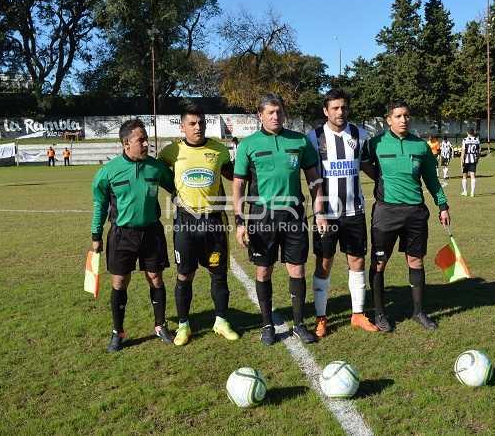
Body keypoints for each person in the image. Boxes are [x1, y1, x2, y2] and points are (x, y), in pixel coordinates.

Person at [232, 93, 327, 346]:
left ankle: (299, 324)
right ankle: (267, 325)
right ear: (260, 115)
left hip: (294, 214)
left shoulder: (299, 141)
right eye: (270, 112)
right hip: (261, 216)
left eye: (279, 112)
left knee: (297, 268)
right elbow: (238, 185)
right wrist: (240, 222)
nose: (276, 116)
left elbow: (314, 179)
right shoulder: (248, 145)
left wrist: (319, 211)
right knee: (264, 269)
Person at [361, 99, 450, 331]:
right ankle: (380, 313)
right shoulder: (375, 143)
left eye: (406, 116)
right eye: (398, 116)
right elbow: (363, 162)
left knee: (416, 260)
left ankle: (418, 312)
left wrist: (442, 205)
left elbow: (431, 179)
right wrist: (379, 178)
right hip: (386, 212)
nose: (403, 120)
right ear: (388, 120)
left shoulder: (420, 146)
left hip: (415, 213)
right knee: (379, 262)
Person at [91, 119, 176, 352]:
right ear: (126, 143)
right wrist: (96, 235)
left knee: (155, 278)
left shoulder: (156, 167)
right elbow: (99, 205)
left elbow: (177, 189)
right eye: (141, 140)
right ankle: (118, 332)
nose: (147, 144)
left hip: (152, 232)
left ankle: (160, 325)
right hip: (122, 235)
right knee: (119, 282)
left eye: (146, 139)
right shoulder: (108, 172)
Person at [158, 104, 239, 346]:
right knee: (184, 274)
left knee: (218, 273)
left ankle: (221, 321)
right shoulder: (171, 151)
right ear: (182, 127)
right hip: (185, 221)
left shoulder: (219, 150)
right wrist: (173, 191)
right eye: (192, 123)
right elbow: (157, 172)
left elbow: (234, 175)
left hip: (214, 221)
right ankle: (183, 325)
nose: (198, 127)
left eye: (201, 122)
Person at [305, 89, 379, 337]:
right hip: (325, 213)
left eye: (344, 107)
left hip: (354, 211)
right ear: (326, 111)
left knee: (357, 261)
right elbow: (309, 174)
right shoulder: (313, 137)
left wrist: (385, 181)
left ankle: (358, 314)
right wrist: (318, 211)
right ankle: (321, 317)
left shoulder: (360, 134)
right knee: (324, 263)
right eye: (335, 108)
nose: (340, 112)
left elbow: (367, 164)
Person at [460, 129, 481, 197]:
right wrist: (477, 159)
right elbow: (479, 151)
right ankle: (472, 193)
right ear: (473, 133)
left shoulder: (465, 140)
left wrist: (461, 161)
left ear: (467, 133)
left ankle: (465, 192)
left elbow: (463, 151)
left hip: (466, 160)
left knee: (464, 176)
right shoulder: (477, 140)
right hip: (473, 160)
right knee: (473, 176)